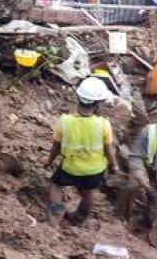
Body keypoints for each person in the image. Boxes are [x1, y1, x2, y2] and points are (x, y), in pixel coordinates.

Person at [45, 77, 120, 224]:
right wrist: (114, 165)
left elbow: (56, 146)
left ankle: (56, 214)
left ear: (78, 98)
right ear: (98, 104)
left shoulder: (64, 121)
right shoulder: (104, 124)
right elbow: (109, 149)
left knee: (56, 185)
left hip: (71, 167)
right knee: (89, 192)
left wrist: (49, 161)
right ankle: (80, 217)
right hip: (95, 170)